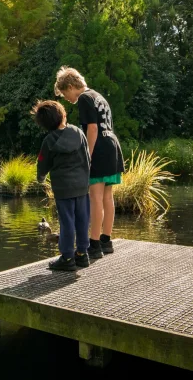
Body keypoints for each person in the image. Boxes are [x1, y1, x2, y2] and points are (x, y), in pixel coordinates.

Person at [54, 67, 125, 259]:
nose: (66, 99)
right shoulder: (98, 96)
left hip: (99, 150)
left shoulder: (84, 98)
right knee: (107, 196)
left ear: (70, 86)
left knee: (95, 197)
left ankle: (94, 245)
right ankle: (106, 240)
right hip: (112, 147)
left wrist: (87, 156)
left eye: (64, 93)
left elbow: (92, 129)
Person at [32, 100, 91, 271]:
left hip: (63, 188)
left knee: (67, 222)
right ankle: (82, 254)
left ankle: (67, 257)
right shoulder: (79, 133)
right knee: (82, 219)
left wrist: (41, 178)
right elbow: (87, 158)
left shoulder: (49, 141)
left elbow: (42, 163)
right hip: (81, 186)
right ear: (64, 115)